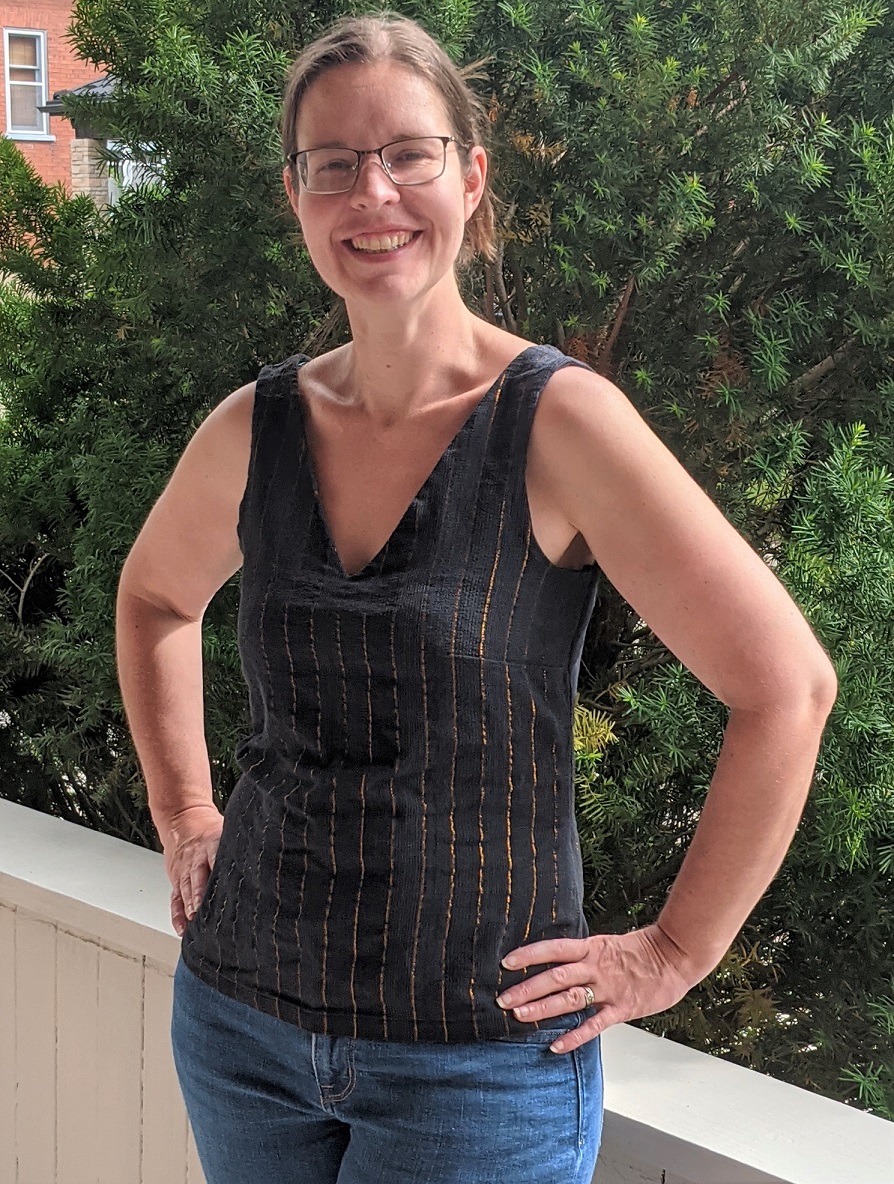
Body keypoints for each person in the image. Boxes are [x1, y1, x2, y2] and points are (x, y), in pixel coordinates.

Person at [115, 11, 838, 1184]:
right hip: (240, 1023)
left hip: (477, 1067)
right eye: (334, 164)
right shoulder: (257, 428)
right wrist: (186, 812)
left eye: (409, 152)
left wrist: (672, 953)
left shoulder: (560, 424)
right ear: (295, 192)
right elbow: (153, 598)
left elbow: (789, 689)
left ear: (471, 173)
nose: (374, 193)